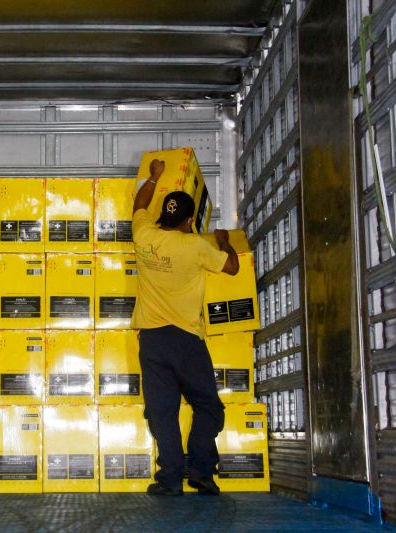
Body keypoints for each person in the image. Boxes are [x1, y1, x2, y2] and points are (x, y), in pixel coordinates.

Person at [131, 158, 239, 496]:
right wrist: (222, 240)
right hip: (186, 341)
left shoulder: (144, 235)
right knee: (207, 407)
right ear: (190, 221)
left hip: (152, 341)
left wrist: (154, 177)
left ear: (164, 215)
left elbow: (138, 204)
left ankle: (170, 481)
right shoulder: (197, 247)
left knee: (162, 413)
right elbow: (233, 268)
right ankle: (202, 473)